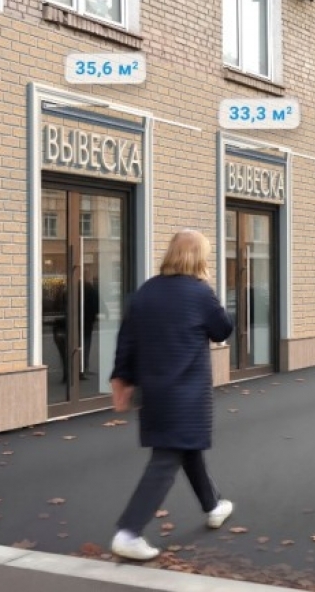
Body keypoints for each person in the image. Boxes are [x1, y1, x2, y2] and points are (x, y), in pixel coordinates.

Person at [109, 230, 235, 561]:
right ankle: (129, 532)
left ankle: (213, 505)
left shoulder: (146, 291)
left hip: (154, 392)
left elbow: (127, 339)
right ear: (198, 257)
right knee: (167, 458)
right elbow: (222, 329)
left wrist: (122, 378)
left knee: (186, 448)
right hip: (187, 392)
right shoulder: (200, 292)